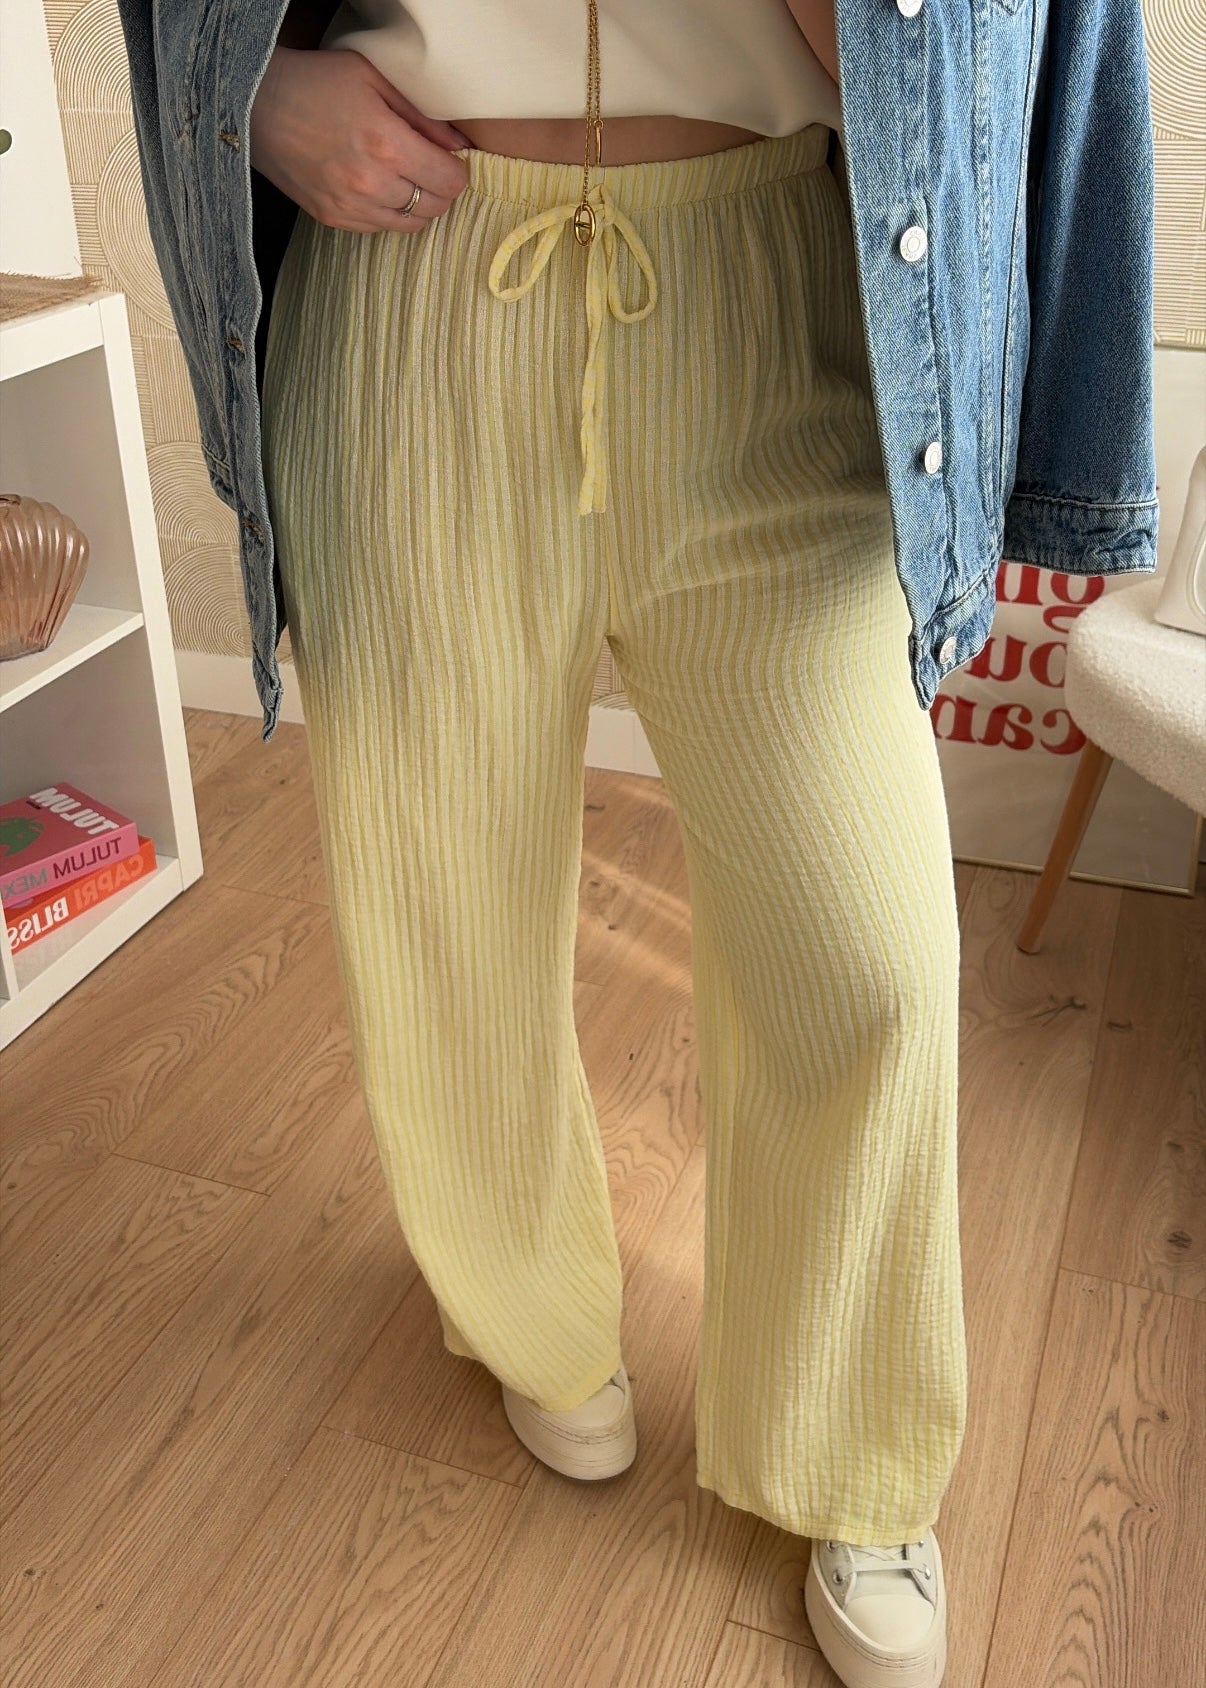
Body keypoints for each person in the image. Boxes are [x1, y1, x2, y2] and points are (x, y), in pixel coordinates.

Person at [114, 4, 1160, 1685]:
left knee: (867, 962)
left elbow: (1053, 38)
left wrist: (1069, 440)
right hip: (408, 288)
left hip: (782, 293)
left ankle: (851, 1450)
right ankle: (520, 1308)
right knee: (439, 892)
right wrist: (256, 97)